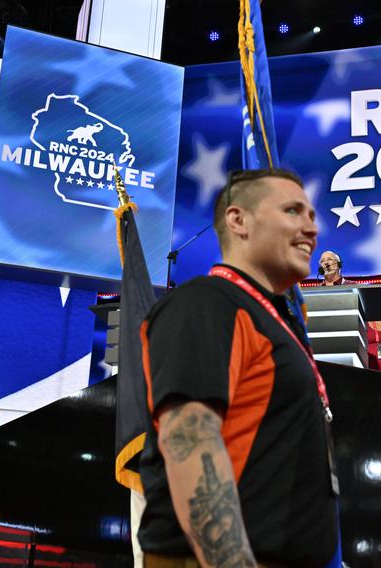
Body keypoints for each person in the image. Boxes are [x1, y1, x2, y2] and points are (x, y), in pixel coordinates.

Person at [137, 168, 338, 567]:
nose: (311, 229)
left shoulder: (276, 323)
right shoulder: (206, 304)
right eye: (293, 211)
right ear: (238, 220)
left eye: (312, 217)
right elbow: (190, 442)